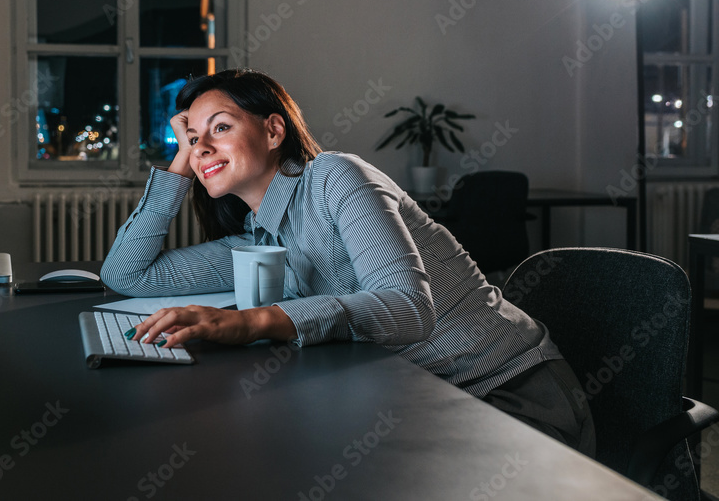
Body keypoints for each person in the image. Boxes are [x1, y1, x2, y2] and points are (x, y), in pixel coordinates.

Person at [100, 68, 595, 456]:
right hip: (424, 396)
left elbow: (408, 308)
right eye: (192, 138)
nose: (201, 145)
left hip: (510, 394)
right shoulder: (256, 238)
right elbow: (126, 274)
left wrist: (253, 322)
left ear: (273, 131)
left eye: (221, 128)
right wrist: (181, 165)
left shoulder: (336, 177)